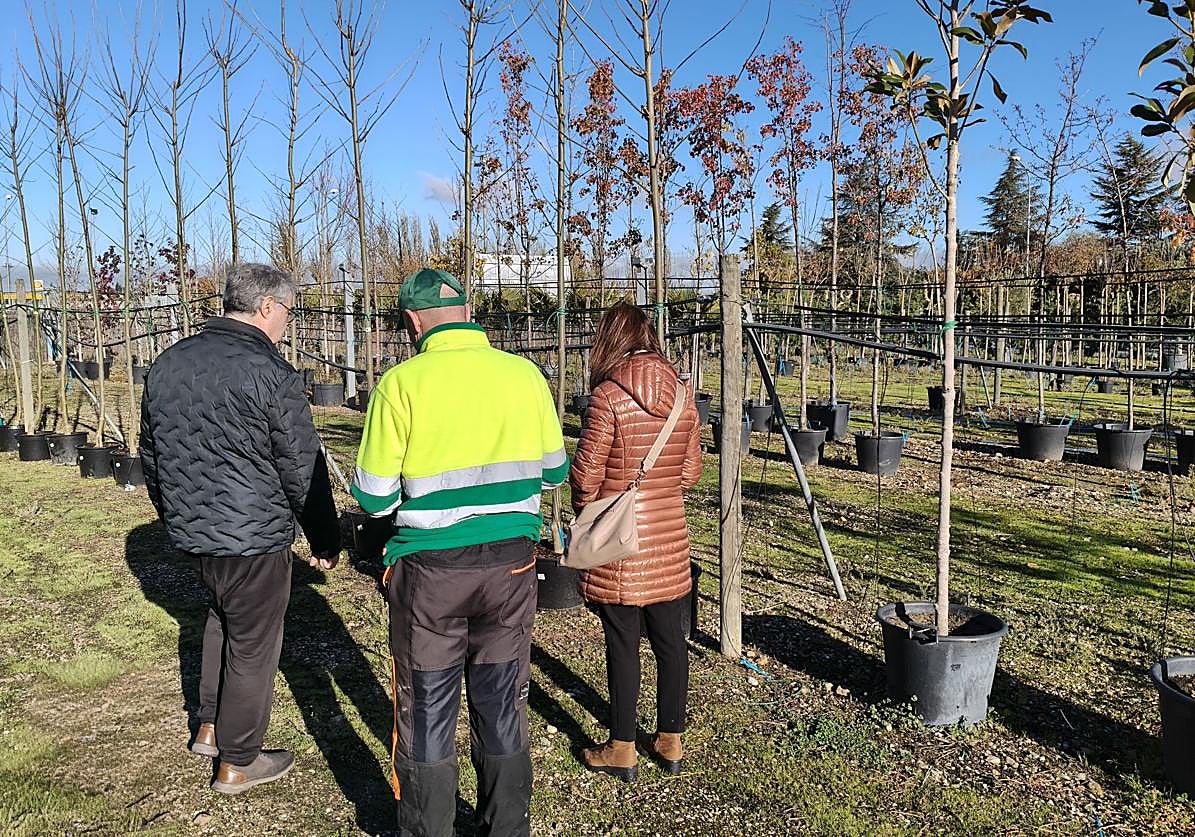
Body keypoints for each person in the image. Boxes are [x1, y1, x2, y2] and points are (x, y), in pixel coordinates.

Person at [351, 268, 568, 837]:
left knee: (426, 711)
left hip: (431, 575)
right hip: (511, 567)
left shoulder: (401, 385)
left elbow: (374, 497)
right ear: (469, 311)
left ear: (413, 321)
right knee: (501, 702)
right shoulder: (526, 377)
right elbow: (554, 472)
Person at [140, 263, 341, 795]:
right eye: (289, 314)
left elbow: (152, 455)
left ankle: (209, 724)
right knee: (253, 643)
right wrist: (325, 537)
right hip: (252, 536)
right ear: (267, 307)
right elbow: (303, 465)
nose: (288, 326)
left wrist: (176, 515)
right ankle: (238, 759)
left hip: (196, 531)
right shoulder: (269, 372)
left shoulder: (167, 363)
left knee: (219, 619)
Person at [568, 302, 703, 782]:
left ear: (609, 340)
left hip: (620, 546)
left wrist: (595, 501)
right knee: (671, 642)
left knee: (622, 643)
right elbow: (690, 472)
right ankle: (670, 742)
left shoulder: (607, 397)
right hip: (669, 540)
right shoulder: (684, 395)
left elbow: (584, 478)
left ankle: (622, 747)